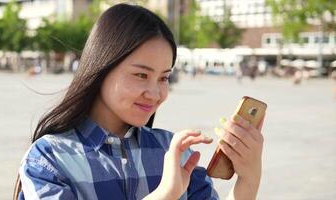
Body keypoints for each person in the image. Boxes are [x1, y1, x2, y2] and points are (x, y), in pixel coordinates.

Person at [14, 4, 265, 200]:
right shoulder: (49, 159)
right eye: (141, 75)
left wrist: (249, 178)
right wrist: (164, 194)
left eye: (164, 78)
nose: (155, 93)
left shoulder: (174, 152)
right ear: (102, 68)